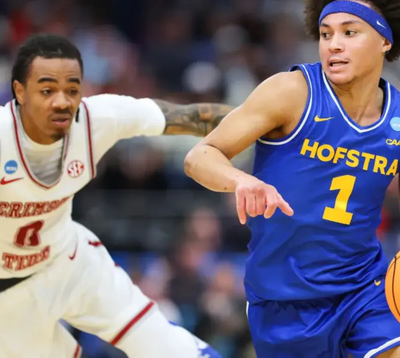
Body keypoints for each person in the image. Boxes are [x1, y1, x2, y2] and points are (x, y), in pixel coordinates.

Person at [184, 0, 400, 357]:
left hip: (363, 289)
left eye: (349, 32)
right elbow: (200, 156)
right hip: (284, 301)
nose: (333, 44)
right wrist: (241, 180)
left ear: (385, 41)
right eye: (325, 33)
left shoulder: (397, 117)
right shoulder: (292, 92)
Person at [0, 33, 231, 357]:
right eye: (47, 90)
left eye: (72, 89)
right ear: (20, 92)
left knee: (169, 348)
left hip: (70, 261)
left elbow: (189, 116)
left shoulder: (95, 118)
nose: (62, 102)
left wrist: (269, 118)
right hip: (9, 295)